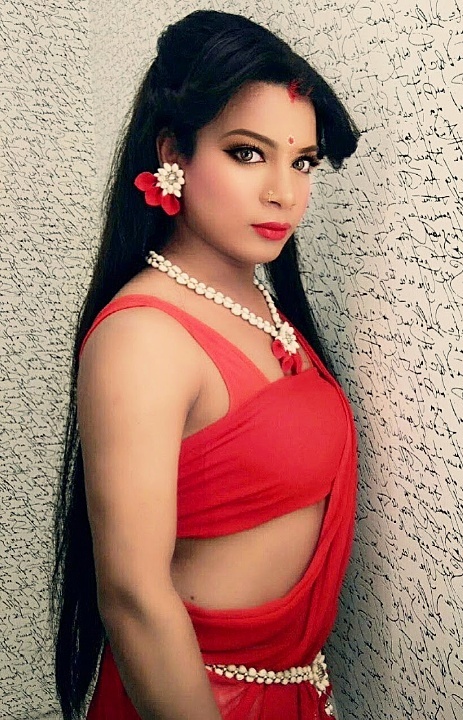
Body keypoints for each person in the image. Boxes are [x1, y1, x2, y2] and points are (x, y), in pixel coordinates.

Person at [51, 9, 359, 720]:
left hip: (297, 692)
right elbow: (132, 596)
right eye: (248, 153)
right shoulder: (146, 339)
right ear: (174, 154)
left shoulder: (262, 305)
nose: (284, 192)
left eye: (302, 161)